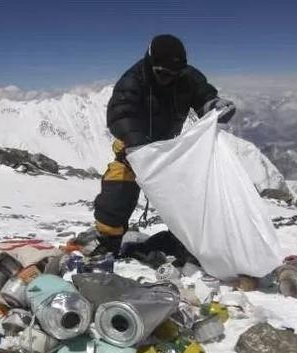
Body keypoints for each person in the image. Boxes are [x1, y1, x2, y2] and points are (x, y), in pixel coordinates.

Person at [92, 34, 236, 255]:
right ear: (150, 63)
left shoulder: (188, 77)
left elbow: (203, 96)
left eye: (174, 74)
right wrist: (137, 145)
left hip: (170, 151)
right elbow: (120, 114)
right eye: (162, 73)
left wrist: (214, 106)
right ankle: (107, 243)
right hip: (133, 149)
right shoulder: (133, 80)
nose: (168, 78)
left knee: (189, 195)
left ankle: (186, 242)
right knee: (118, 191)